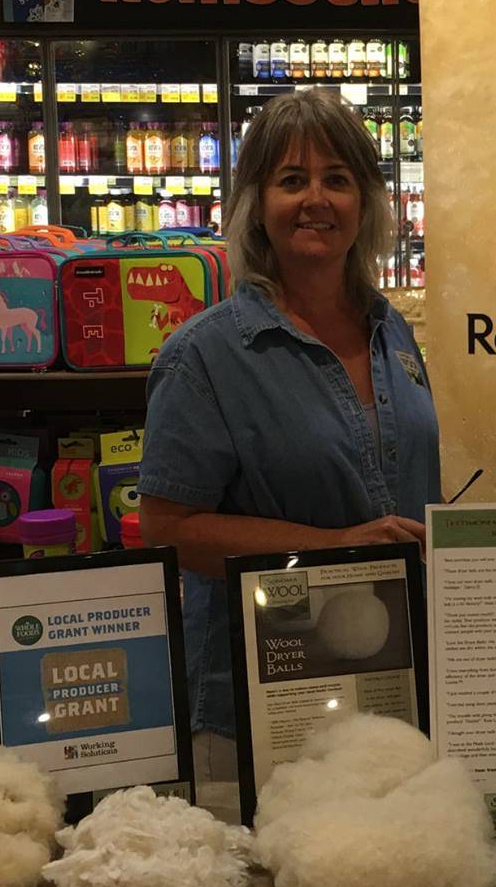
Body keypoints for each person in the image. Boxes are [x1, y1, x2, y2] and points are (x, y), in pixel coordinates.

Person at [137, 89, 440, 794]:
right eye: (292, 179)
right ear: (256, 203)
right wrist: (333, 551)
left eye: (338, 179)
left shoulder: (391, 329)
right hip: (263, 701)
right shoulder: (204, 356)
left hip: (391, 689)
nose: (317, 199)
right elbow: (169, 527)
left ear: (366, 201)